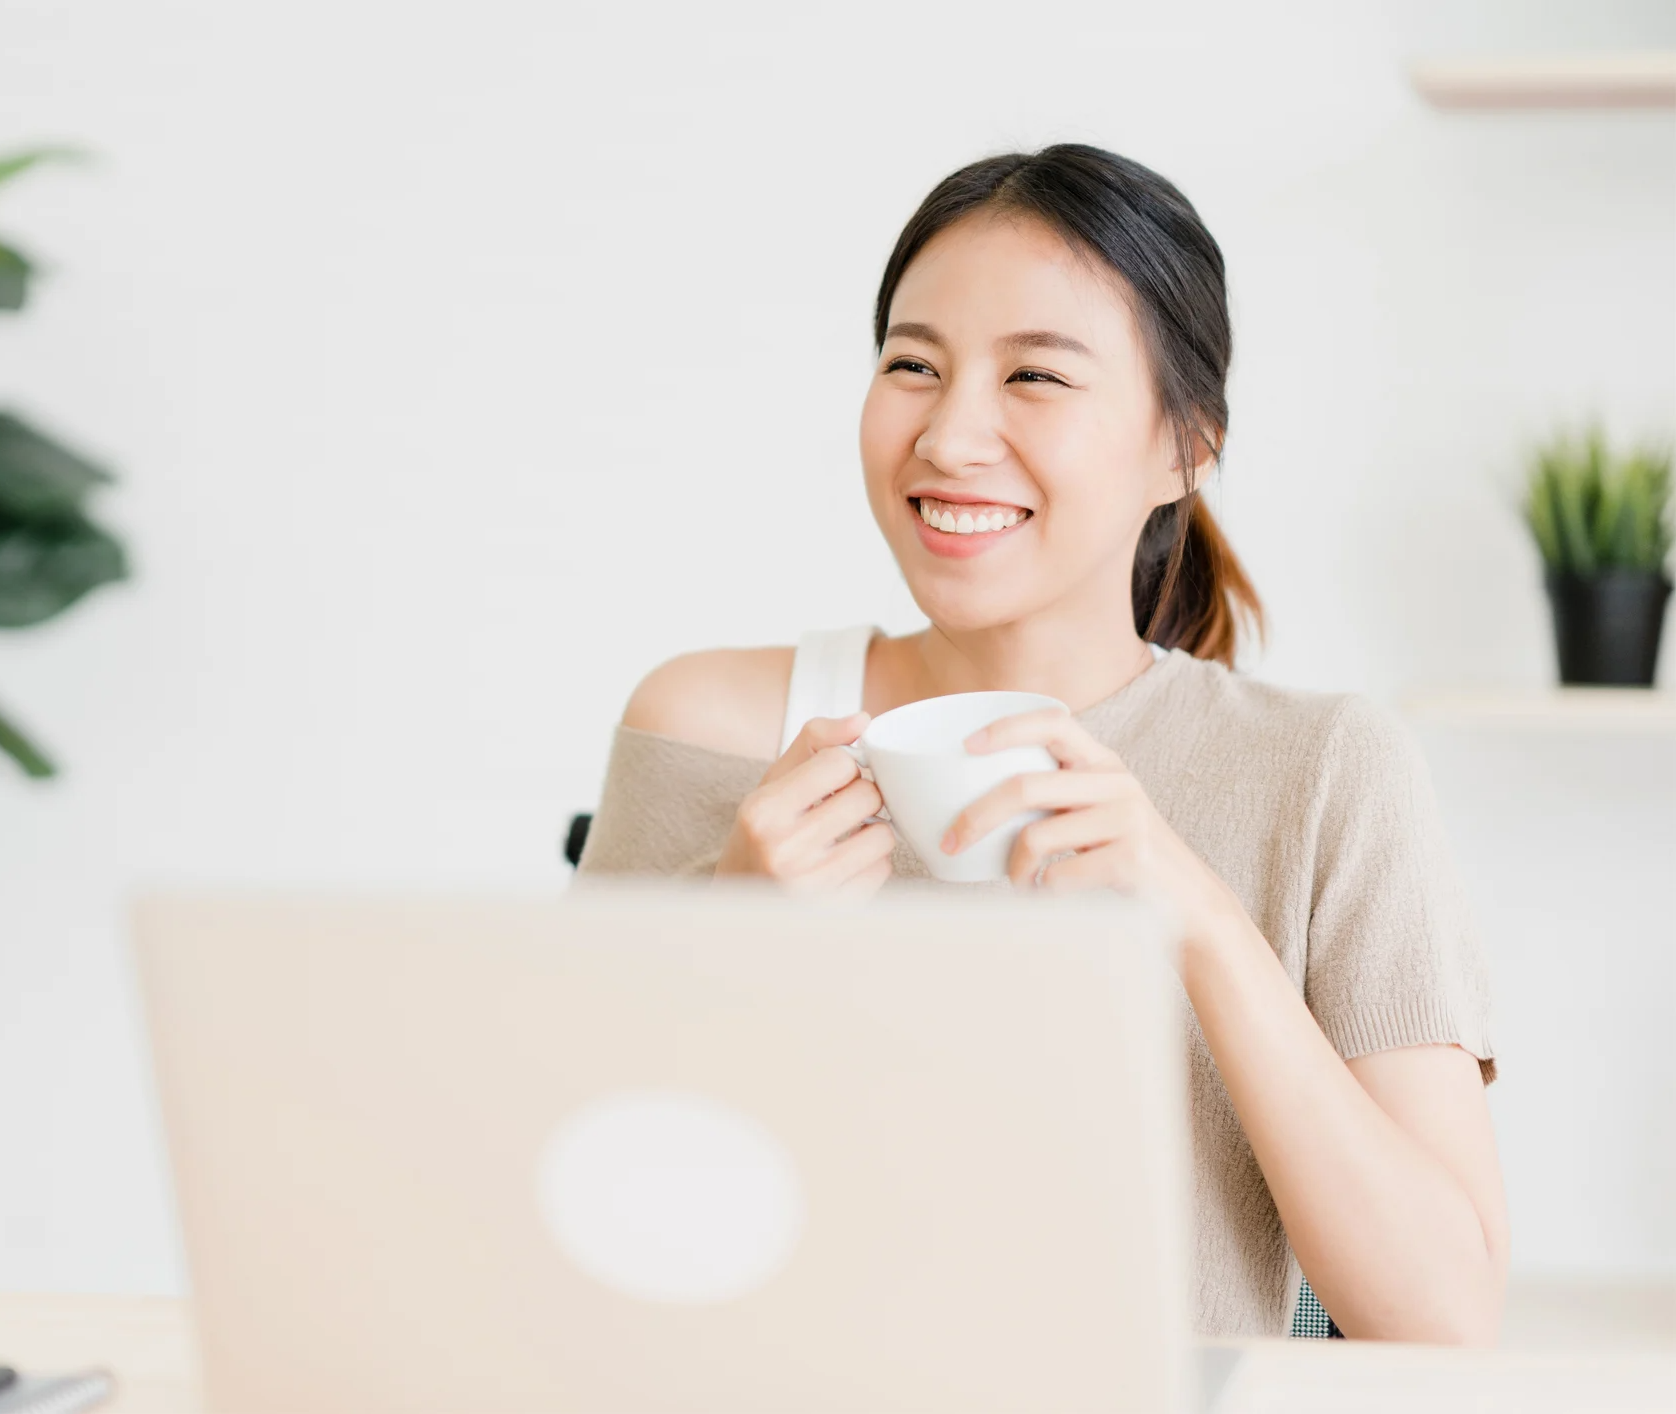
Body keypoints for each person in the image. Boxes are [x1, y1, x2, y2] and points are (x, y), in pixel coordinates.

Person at [575, 145, 1505, 1344]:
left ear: (1187, 445)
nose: (951, 436)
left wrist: (1197, 916)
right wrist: (731, 945)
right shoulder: (709, 726)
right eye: (912, 364)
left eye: (1036, 377)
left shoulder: (1325, 769)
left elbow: (1442, 1318)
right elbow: (567, 1221)